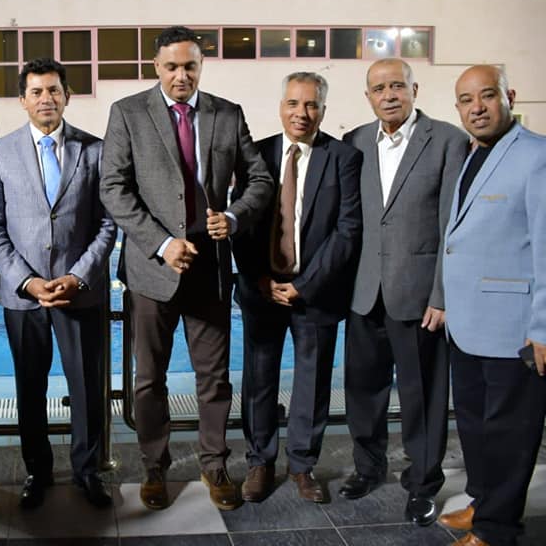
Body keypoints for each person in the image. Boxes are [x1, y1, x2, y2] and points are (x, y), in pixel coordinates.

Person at [100, 25, 273, 511]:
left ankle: (214, 464)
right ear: (156, 67)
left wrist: (233, 216)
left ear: (201, 67)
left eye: (190, 66)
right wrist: (161, 244)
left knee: (214, 379)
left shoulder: (226, 113)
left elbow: (259, 178)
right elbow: (113, 188)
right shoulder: (128, 113)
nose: (182, 75)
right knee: (148, 379)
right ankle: (154, 466)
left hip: (209, 267)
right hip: (152, 269)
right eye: (172, 66)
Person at [0, 58, 117, 510]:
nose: (46, 99)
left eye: (54, 90)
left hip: (80, 292)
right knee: (30, 388)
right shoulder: (0, 152)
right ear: (22, 100)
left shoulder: (95, 150)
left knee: (87, 388)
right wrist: (27, 281)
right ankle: (37, 472)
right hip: (24, 297)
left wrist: (78, 275)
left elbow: (107, 224)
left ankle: (87, 471)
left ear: (67, 96)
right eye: (36, 92)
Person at [340, 58, 469, 526]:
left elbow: (452, 227)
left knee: (423, 396)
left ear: (415, 90)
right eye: (379, 88)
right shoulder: (354, 141)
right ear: (368, 96)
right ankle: (368, 467)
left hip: (419, 296)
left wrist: (441, 295)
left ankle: (423, 483)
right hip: (363, 292)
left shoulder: (448, 140)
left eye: (397, 86)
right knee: (362, 390)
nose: (389, 95)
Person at [232, 72, 361, 505]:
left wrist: (304, 286)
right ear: (280, 106)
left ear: (323, 109)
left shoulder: (343, 158)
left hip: (315, 292)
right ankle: (260, 461)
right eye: (293, 103)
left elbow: (347, 230)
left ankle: (303, 466)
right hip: (262, 288)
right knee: (259, 379)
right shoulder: (256, 155)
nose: (301, 113)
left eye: (311, 105)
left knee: (313, 381)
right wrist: (260, 279)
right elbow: (241, 222)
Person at [439, 65, 546, 546]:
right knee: (476, 427)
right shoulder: (475, 154)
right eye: (466, 100)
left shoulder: (537, 156)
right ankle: (483, 503)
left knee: (508, 434)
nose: (476, 108)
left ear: (509, 97)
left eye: (486, 96)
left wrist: (543, 328)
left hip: (512, 326)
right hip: (468, 324)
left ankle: (497, 530)